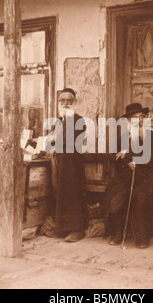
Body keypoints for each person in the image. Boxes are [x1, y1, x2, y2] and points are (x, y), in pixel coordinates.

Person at [102, 103, 153, 249]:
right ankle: (119, 233)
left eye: (141, 117)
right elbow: (115, 156)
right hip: (126, 177)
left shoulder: (152, 137)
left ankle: (143, 237)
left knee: (141, 200)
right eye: (134, 118)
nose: (139, 120)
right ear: (128, 121)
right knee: (115, 199)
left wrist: (131, 158)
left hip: (146, 178)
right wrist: (125, 161)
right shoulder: (124, 137)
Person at [45, 88, 88, 242]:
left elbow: (70, 141)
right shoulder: (57, 121)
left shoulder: (79, 120)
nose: (65, 103)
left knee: (72, 194)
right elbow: (51, 140)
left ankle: (77, 230)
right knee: (59, 194)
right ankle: (61, 228)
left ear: (74, 102)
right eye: (62, 101)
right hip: (59, 161)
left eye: (68, 101)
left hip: (73, 164)